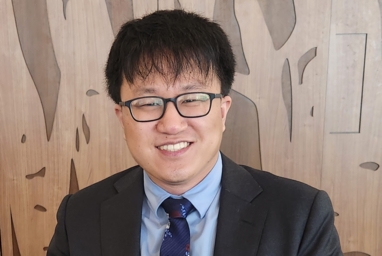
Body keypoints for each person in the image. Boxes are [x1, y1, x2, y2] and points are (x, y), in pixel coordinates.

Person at [47, 9, 342, 256]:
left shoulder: (300, 215)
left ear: (223, 110)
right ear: (122, 117)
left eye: (192, 99)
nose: (172, 125)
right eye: (148, 103)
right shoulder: (79, 216)